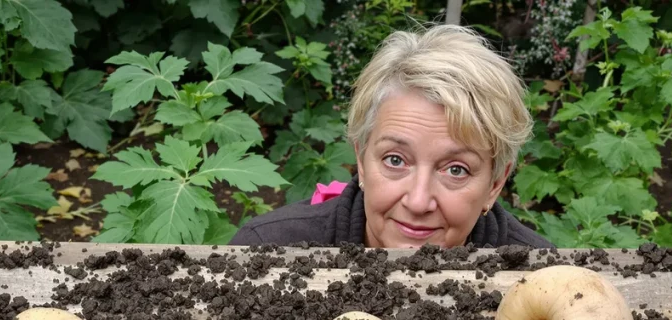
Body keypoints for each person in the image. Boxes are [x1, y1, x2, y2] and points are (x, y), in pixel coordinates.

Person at [229, 24, 553, 249]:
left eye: (456, 169)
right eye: (395, 160)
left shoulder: (543, 278)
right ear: (361, 159)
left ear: (495, 185)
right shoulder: (267, 249)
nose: (417, 201)